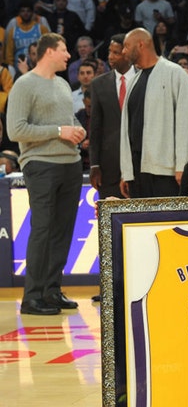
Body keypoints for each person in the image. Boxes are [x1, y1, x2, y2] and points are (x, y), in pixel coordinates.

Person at [7, 32, 86, 315]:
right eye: (64, 50)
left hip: (71, 164)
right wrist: (58, 132)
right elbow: (15, 130)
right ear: (49, 51)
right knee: (42, 228)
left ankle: (52, 291)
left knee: (63, 230)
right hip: (41, 164)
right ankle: (32, 297)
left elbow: (69, 120)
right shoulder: (24, 85)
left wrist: (77, 130)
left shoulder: (64, 84)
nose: (69, 55)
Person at [119, 28, 188, 198]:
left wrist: (183, 165)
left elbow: (185, 122)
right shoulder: (134, 80)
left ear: (140, 45)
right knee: (142, 224)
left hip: (166, 170)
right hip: (137, 171)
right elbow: (127, 131)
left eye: (126, 46)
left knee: (167, 224)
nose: (123, 52)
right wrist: (126, 172)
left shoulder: (175, 73)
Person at [90, 33, 135, 200]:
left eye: (116, 53)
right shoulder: (98, 84)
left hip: (139, 164)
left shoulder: (144, 79)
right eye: (109, 52)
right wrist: (94, 164)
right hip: (108, 167)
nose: (110, 57)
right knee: (109, 221)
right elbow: (95, 128)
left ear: (127, 53)